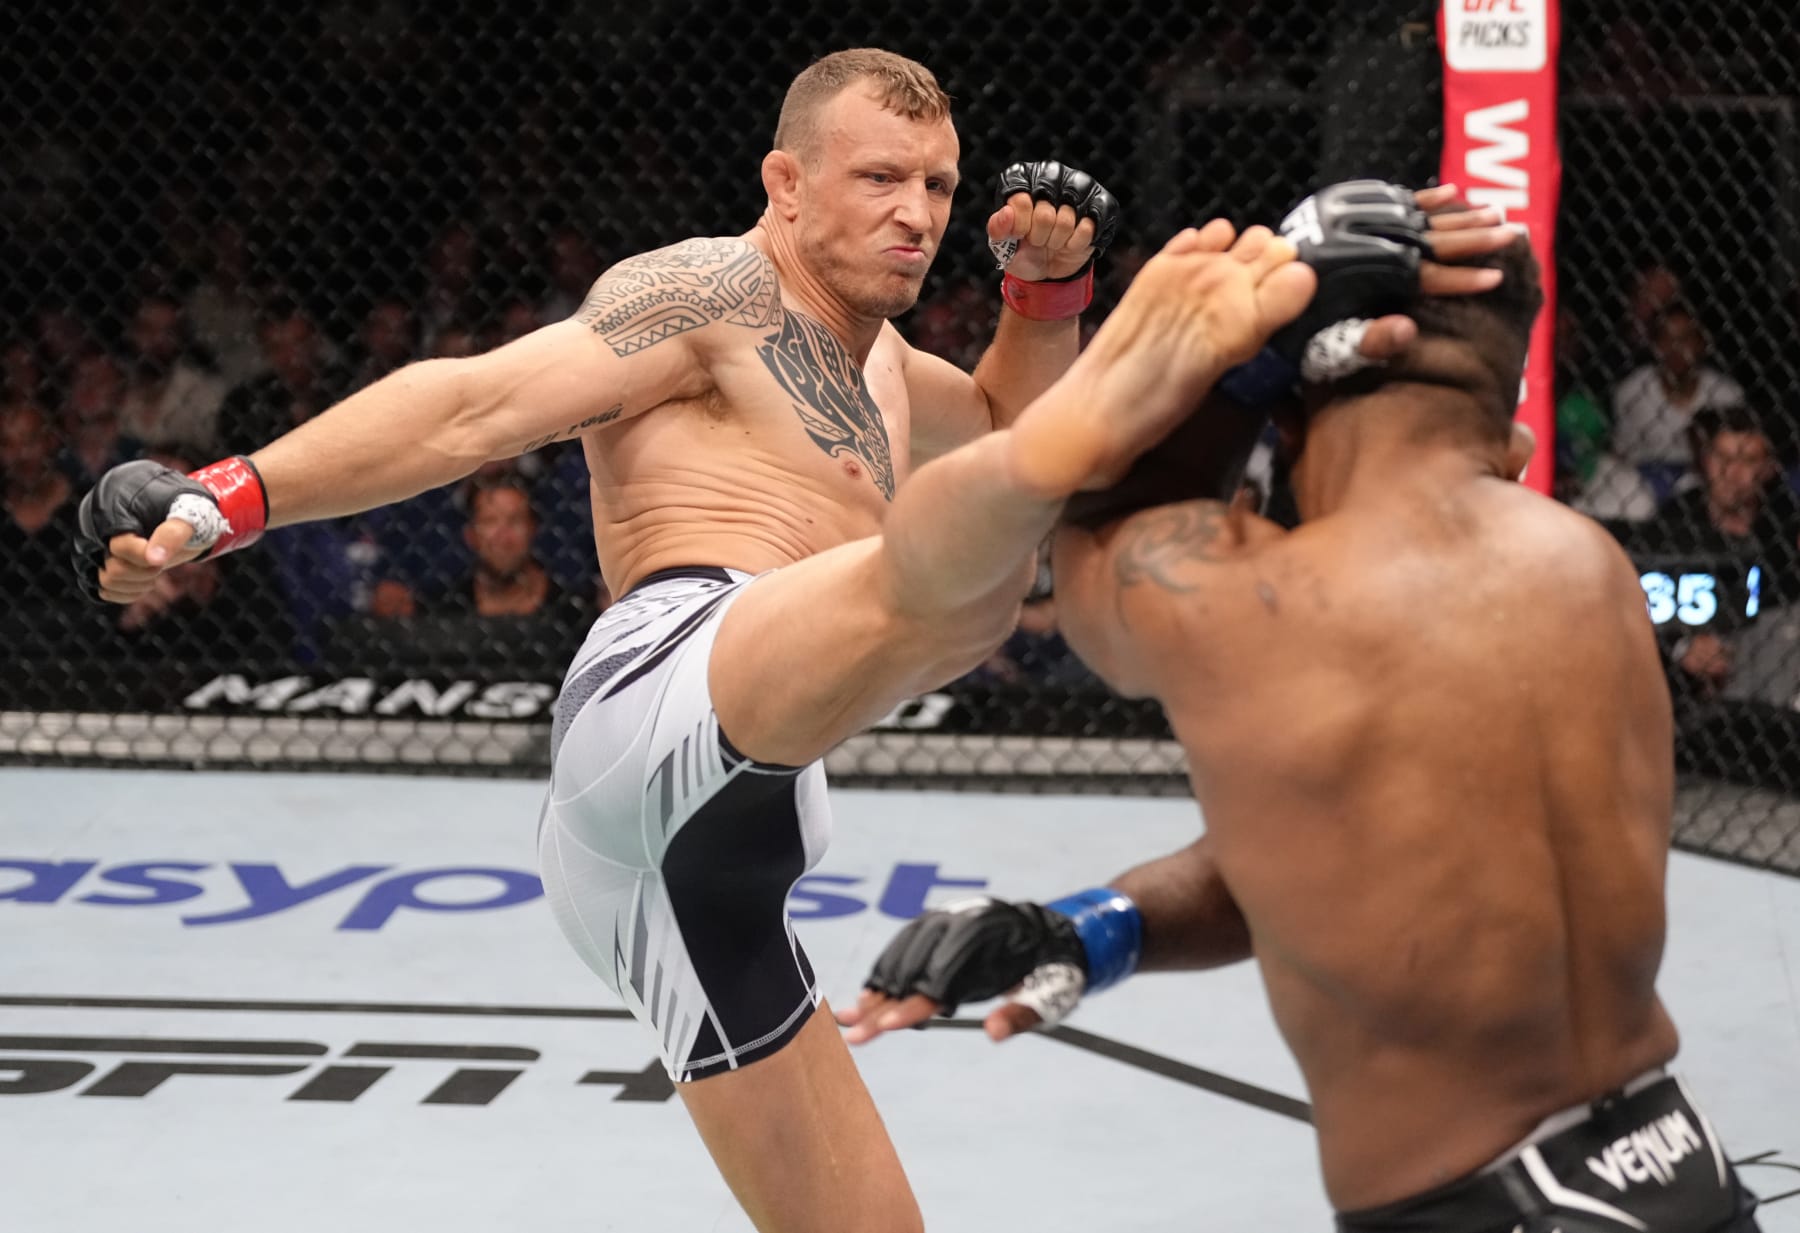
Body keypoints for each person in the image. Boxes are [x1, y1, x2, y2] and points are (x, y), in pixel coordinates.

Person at [72, 50, 1504, 1233]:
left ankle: (1176, 353)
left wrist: (1041, 307)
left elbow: (1012, 427)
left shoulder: (884, 360)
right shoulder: (708, 294)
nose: (917, 212)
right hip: (661, 692)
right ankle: (1228, 344)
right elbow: (473, 406)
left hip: (710, 855)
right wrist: (225, 497)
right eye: (881, 177)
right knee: (960, 583)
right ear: (787, 182)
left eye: (939, 186)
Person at [843, 227, 1764, 1232]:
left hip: (1484, 1209)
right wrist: (1089, 930)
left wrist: (1233, 361)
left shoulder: (1255, 598)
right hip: (1685, 1172)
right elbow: (1352, 853)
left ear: (1294, 401)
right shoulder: (1588, 570)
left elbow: (1071, 528)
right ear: (1508, 430)